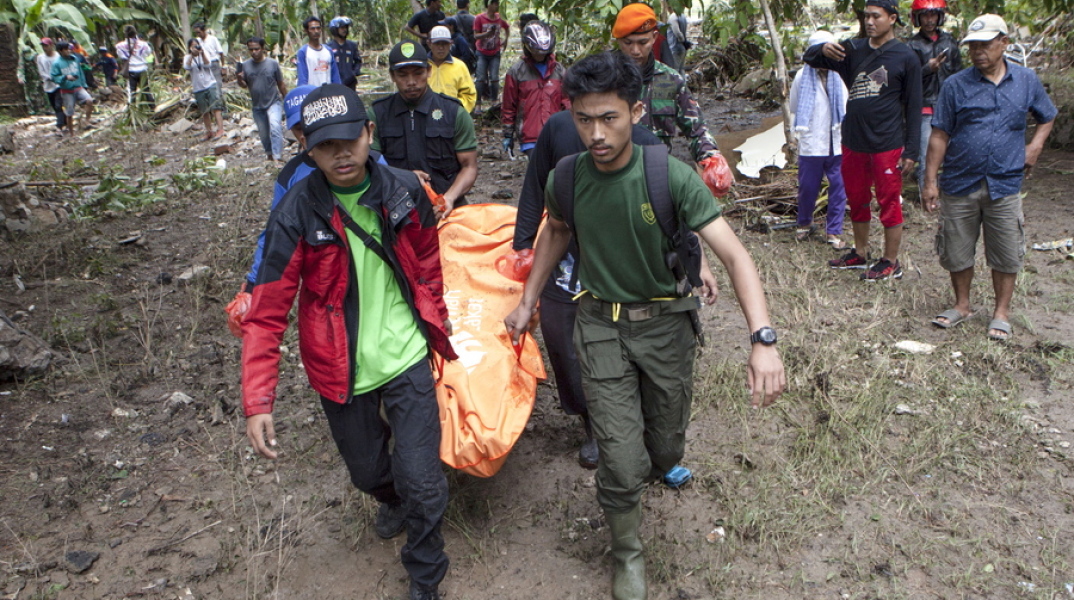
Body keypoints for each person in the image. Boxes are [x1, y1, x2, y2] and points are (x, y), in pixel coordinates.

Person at [504, 52, 785, 600]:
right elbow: (556, 232)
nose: (595, 133)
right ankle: (627, 552)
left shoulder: (669, 176)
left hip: (666, 329)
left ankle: (653, 466)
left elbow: (735, 256)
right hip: (600, 325)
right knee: (621, 455)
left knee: (665, 450)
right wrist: (527, 300)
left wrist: (763, 340)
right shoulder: (568, 177)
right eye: (583, 119)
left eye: (608, 117)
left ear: (635, 111)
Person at [242, 83, 455, 600]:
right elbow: (267, 311)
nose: (341, 154)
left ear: (368, 134)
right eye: (325, 146)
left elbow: (428, 263)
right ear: (308, 150)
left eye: (349, 140)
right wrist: (257, 401)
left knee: (423, 478)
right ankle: (392, 496)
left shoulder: (404, 190)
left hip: (405, 356)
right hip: (340, 367)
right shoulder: (295, 211)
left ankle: (426, 572)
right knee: (367, 473)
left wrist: (436, 323)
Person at [922, 14, 1056, 342]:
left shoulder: (1026, 80)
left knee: (1006, 251)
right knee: (956, 248)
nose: (978, 51)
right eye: (973, 46)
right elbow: (939, 135)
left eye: (986, 45)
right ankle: (962, 305)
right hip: (960, 181)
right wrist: (930, 181)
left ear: (1004, 43)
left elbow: (1047, 115)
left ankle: (1001, 313)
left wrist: (1035, 146)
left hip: (1005, 183)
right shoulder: (956, 84)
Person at [804, 0, 922, 281]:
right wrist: (821, 49)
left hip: (887, 143)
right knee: (857, 198)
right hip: (853, 140)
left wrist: (912, 150)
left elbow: (914, 107)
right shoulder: (853, 49)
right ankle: (860, 252)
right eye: (866, 16)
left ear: (892, 18)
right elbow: (810, 58)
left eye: (876, 16)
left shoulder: (906, 56)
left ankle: (890, 261)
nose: (870, 22)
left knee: (889, 201)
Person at [612, 3, 732, 198]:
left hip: (656, 177)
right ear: (617, 41)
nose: (635, 50)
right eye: (628, 43)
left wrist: (711, 157)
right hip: (612, 179)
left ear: (654, 37)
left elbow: (696, 128)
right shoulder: (602, 78)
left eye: (642, 43)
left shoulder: (670, 80)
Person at [370, 41, 478, 218]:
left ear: (428, 71)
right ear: (392, 76)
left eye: (418, 73)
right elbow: (368, 165)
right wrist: (405, 178)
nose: (411, 82)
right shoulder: (377, 114)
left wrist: (449, 198)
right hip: (394, 210)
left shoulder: (453, 112)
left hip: (447, 210)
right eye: (403, 75)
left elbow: (469, 166)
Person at [789, 30, 849, 249]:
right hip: (812, 142)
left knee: (839, 187)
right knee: (808, 186)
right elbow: (795, 108)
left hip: (836, 141)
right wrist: (794, 136)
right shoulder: (801, 78)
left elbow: (846, 106)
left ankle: (833, 230)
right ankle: (804, 223)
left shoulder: (840, 76)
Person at [906, 0, 961, 195]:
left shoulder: (949, 42)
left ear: (940, 16)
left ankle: (949, 196)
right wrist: (927, 69)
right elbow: (907, 80)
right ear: (917, 18)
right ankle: (926, 198)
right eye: (925, 16)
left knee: (951, 155)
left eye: (933, 15)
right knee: (926, 157)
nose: (929, 20)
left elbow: (958, 73)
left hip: (949, 107)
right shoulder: (912, 45)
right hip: (925, 108)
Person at [501, 20, 568, 157]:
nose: (540, 56)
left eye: (544, 52)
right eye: (537, 52)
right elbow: (509, 105)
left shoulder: (559, 71)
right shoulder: (516, 72)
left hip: (556, 133)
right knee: (540, 173)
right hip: (530, 136)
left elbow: (567, 102)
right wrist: (508, 134)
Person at [238, 36, 288, 163]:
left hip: (273, 102)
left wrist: (287, 100)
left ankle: (277, 156)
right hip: (257, 105)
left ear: (263, 49)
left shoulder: (272, 64)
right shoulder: (246, 65)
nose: (254, 52)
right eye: (251, 50)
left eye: (257, 49)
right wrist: (239, 79)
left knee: (275, 127)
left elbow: (280, 83)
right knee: (264, 133)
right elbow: (244, 85)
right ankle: (269, 154)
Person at [427, 26, 477, 112]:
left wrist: (457, 111)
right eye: (437, 44)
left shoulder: (459, 66)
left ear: (451, 44)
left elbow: (469, 95)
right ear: (429, 44)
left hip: (452, 116)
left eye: (445, 44)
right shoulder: (421, 66)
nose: (441, 48)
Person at [184, 38, 225, 141]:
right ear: (189, 48)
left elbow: (208, 64)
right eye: (193, 46)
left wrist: (201, 54)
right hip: (198, 87)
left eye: (197, 45)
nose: (196, 48)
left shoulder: (204, 53)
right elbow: (187, 67)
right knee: (204, 111)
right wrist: (192, 56)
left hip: (210, 83)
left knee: (216, 107)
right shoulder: (187, 57)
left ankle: (220, 130)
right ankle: (209, 131)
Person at [50, 41, 94, 135]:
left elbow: (81, 72)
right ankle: (71, 134)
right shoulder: (57, 63)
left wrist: (84, 85)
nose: (68, 50)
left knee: (89, 100)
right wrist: (65, 77)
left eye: (69, 48)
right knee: (70, 113)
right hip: (66, 91)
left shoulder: (75, 59)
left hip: (78, 87)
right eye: (66, 49)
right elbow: (54, 77)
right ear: (60, 51)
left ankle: (87, 121)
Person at [472, 0, 509, 107]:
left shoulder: (499, 18)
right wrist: (487, 34)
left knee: (494, 77)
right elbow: (475, 36)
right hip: (482, 52)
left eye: (497, 3)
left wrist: (506, 39)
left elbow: (507, 27)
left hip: (495, 52)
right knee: (480, 78)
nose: (497, 6)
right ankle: (478, 103)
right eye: (495, 3)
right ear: (489, 5)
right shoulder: (479, 18)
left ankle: (494, 101)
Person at [115, 25, 155, 108]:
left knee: (132, 91)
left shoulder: (119, 46)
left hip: (131, 70)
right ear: (135, 33)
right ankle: (152, 108)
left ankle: (132, 110)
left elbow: (122, 57)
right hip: (142, 69)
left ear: (125, 34)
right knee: (146, 90)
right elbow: (148, 54)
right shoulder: (144, 44)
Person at [193, 23, 227, 116]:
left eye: (199, 32)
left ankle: (222, 109)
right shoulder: (197, 41)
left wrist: (223, 66)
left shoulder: (213, 39)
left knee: (217, 87)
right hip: (204, 66)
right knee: (207, 87)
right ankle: (212, 109)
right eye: (196, 33)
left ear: (204, 30)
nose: (198, 34)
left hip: (214, 64)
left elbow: (220, 53)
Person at [296, 16, 341, 86]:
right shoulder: (303, 52)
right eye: (312, 29)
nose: (316, 31)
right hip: (312, 93)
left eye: (318, 28)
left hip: (328, 93)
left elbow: (335, 75)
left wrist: (338, 90)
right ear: (306, 31)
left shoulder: (328, 51)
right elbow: (302, 77)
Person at [35, 38, 66, 132]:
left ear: (51, 46)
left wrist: (58, 78)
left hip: (59, 84)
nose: (45, 48)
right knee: (54, 105)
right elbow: (41, 71)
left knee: (58, 104)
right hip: (48, 85)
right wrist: (49, 77)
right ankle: (64, 121)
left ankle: (59, 125)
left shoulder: (58, 56)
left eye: (46, 46)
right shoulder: (40, 57)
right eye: (43, 46)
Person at [328, 16, 363, 90]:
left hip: (350, 84)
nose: (345, 30)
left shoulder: (352, 45)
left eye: (346, 28)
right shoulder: (328, 47)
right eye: (342, 28)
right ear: (335, 29)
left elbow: (358, 61)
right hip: (334, 84)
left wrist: (353, 73)